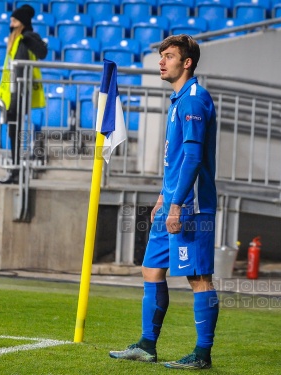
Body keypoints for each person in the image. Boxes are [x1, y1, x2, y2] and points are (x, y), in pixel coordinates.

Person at [109, 34, 219, 370]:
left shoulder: (195, 100)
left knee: (198, 278)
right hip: (171, 201)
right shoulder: (179, 100)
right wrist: (162, 196)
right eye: (161, 55)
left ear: (187, 63)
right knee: (151, 269)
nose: (161, 61)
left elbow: (193, 157)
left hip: (190, 206)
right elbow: (175, 159)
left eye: (168, 56)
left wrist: (176, 205)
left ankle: (202, 355)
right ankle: (146, 345)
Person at [0, 4, 47, 184]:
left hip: (20, 93)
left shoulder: (27, 36)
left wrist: (27, 37)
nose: (11, 22)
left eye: (14, 20)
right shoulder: (14, 39)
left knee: (16, 131)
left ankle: (17, 170)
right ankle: (16, 169)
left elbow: (42, 52)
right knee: (13, 131)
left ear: (22, 22)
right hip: (11, 93)